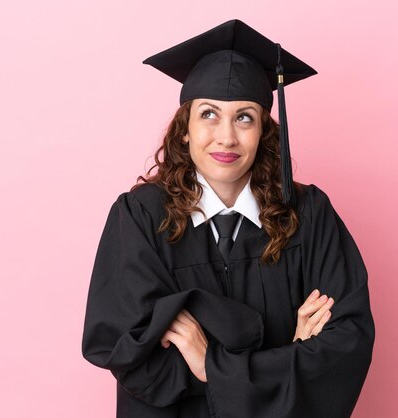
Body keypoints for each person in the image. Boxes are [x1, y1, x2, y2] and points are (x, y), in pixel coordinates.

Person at [82, 19, 375, 418]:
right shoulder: (141, 218)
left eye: (244, 118)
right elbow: (131, 354)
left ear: (264, 133)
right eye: (208, 114)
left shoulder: (309, 216)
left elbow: (346, 347)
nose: (226, 137)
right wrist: (285, 358)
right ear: (184, 129)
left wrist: (211, 364)